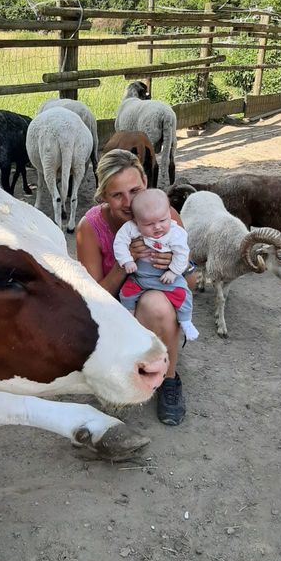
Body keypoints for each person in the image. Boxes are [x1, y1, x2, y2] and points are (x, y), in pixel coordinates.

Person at [76, 149, 196, 426]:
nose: (129, 202)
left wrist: (179, 265)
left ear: (146, 181)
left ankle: (169, 379)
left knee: (156, 303)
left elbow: (191, 284)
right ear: (103, 196)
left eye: (135, 189)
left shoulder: (166, 217)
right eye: (117, 195)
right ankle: (123, 364)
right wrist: (124, 262)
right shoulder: (90, 228)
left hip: (155, 307)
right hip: (114, 313)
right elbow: (93, 300)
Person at [113, 188, 199, 343]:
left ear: (168, 214)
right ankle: (129, 315)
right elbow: (120, 241)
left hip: (166, 279)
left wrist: (173, 272)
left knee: (183, 295)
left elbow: (182, 254)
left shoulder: (175, 232)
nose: (157, 227)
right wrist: (127, 260)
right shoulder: (132, 228)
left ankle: (186, 322)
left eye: (162, 221)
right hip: (140, 278)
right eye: (149, 224)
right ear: (136, 221)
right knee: (126, 294)